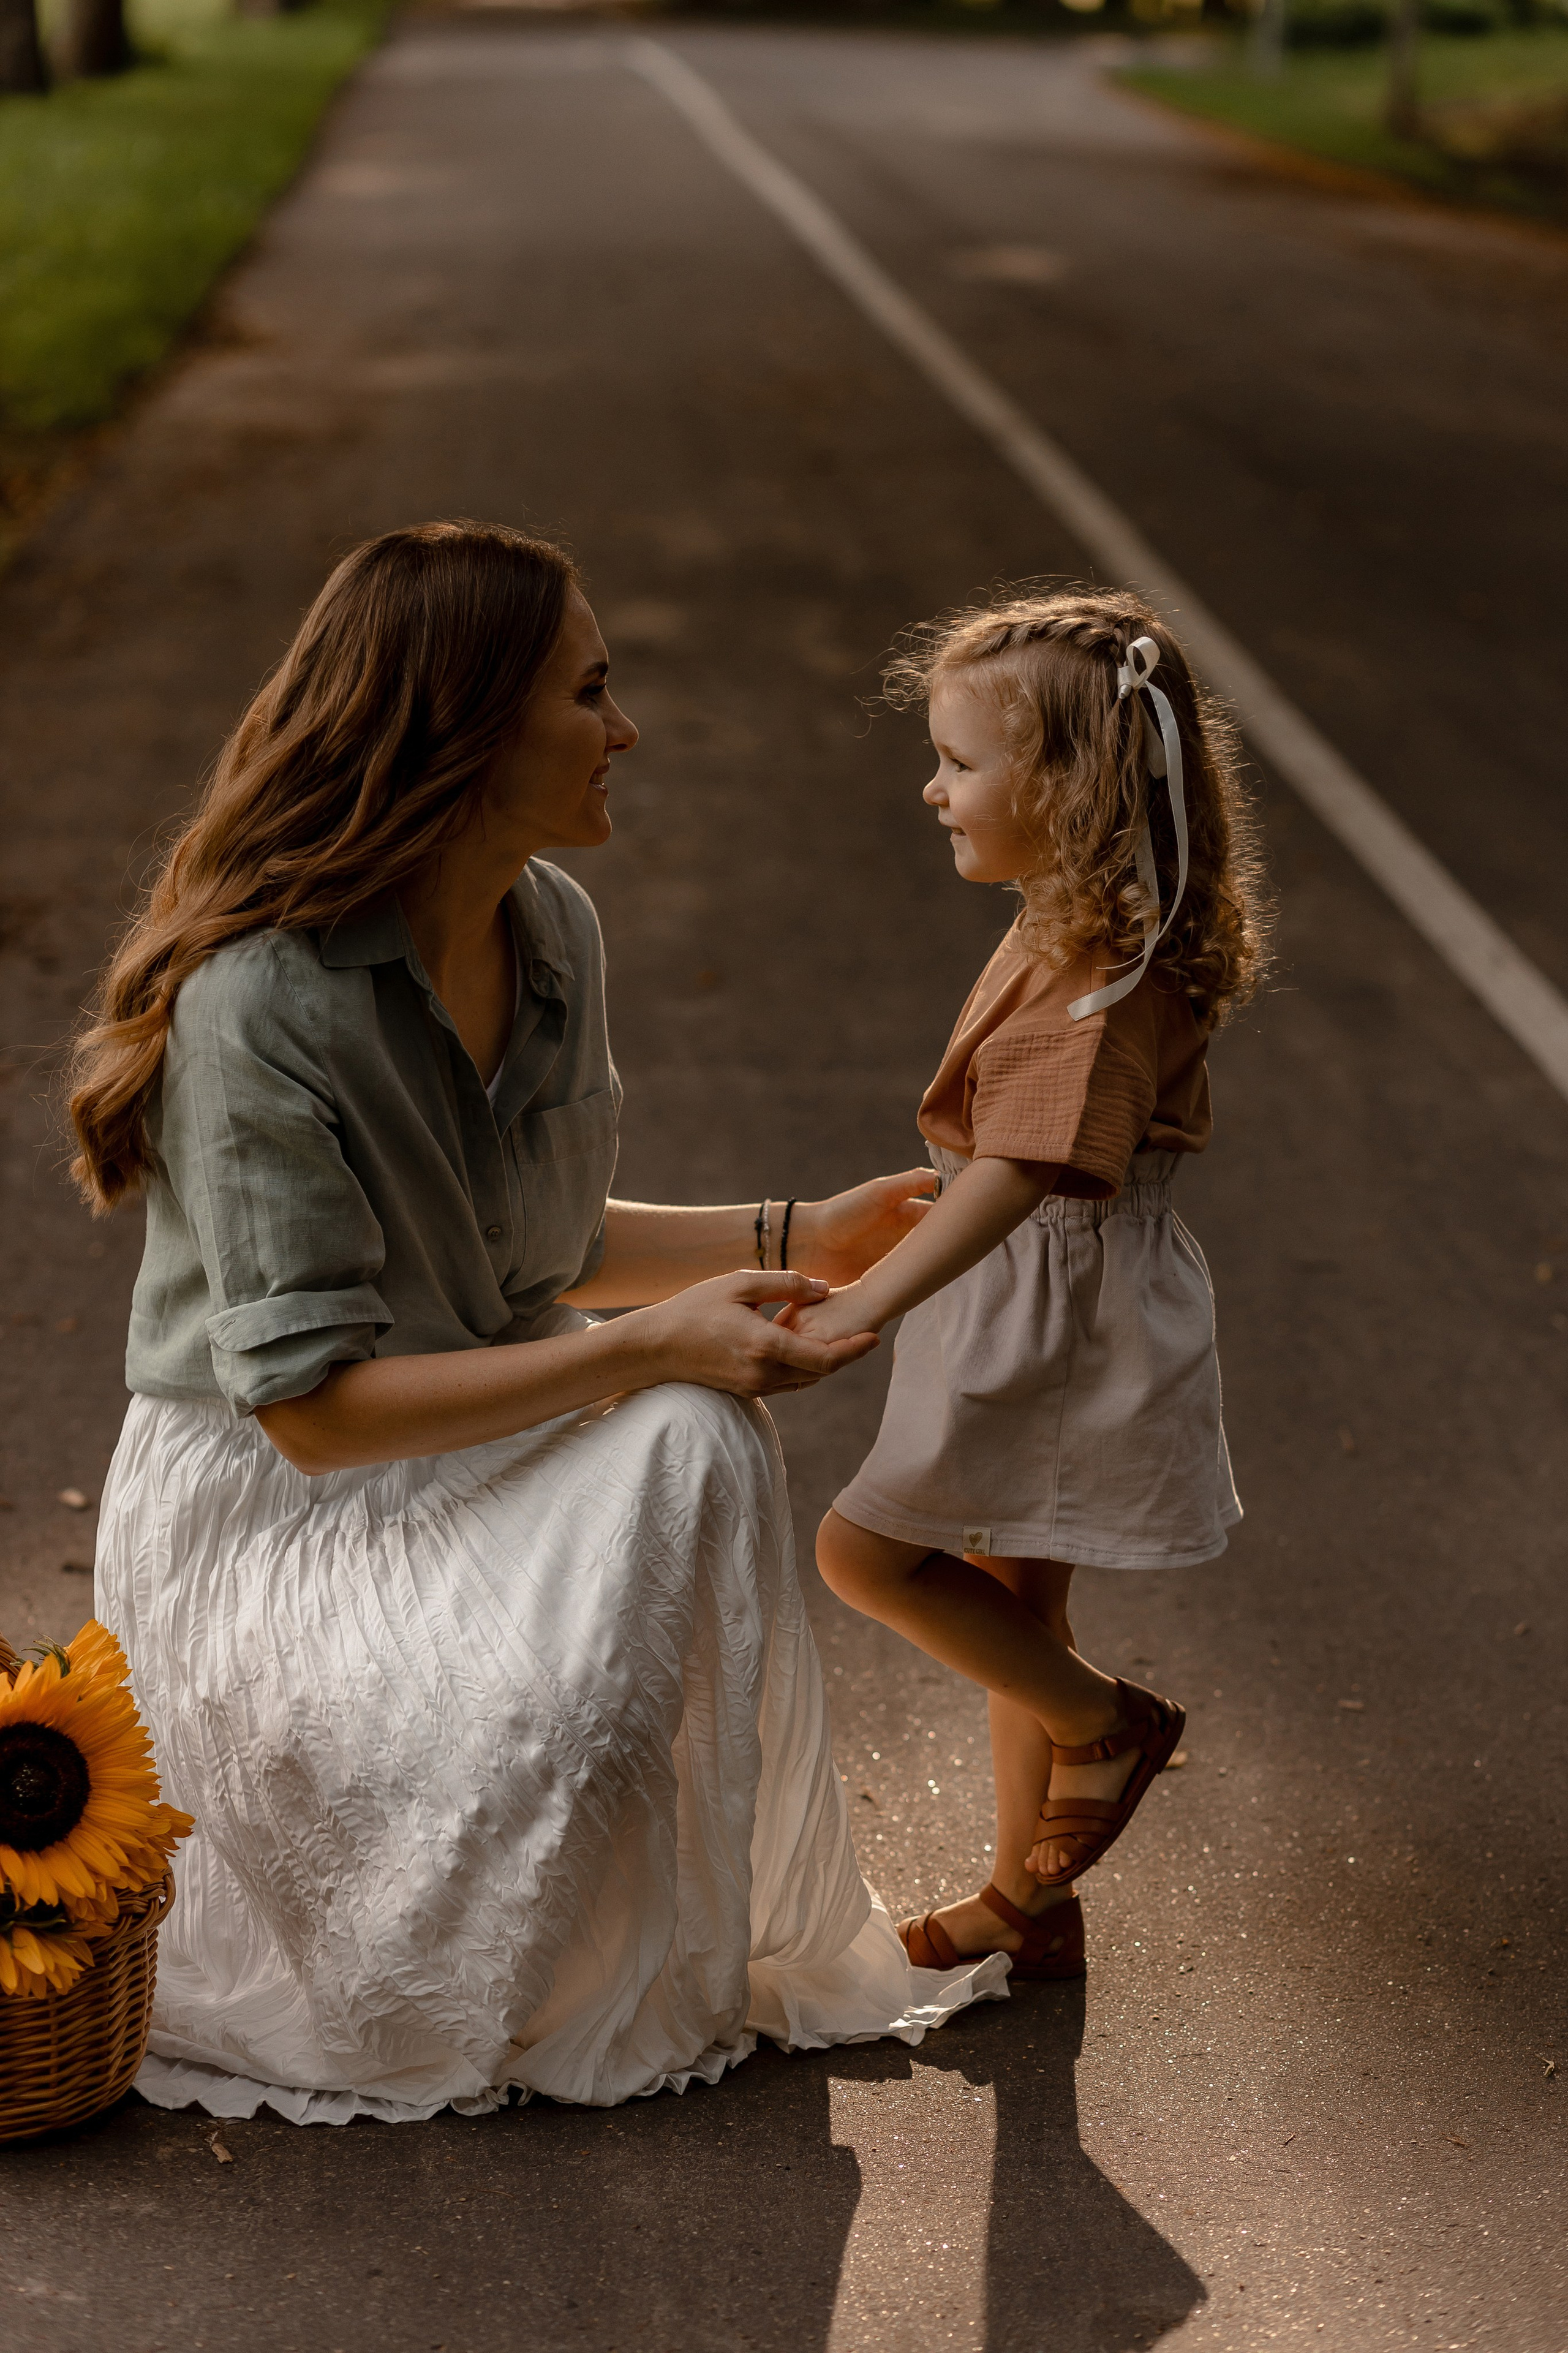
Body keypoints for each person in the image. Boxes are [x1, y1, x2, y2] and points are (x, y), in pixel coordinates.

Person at [66, 520, 1008, 2125]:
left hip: (477, 1432)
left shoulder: (551, 926)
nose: (624, 729)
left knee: (699, 1429)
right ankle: (438, 1964)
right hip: (280, 1512)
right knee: (683, 1419)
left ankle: (586, 1952)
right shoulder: (259, 1005)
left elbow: (542, 1241)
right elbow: (313, 1410)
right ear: (465, 731)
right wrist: (650, 1344)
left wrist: (802, 1231)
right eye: (590, 692)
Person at [781, 589, 1268, 1982]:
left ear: (1069, 785)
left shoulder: (1098, 973)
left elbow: (1020, 1174)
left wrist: (865, 1306)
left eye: (959, 762)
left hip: (1048, 1307)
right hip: (1040, 1287)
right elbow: (999, 1163)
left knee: (861, 1552)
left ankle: (1103, 1726)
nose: (931, 788)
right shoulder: (1084, 923)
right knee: (1013, 1601)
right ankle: (1023, 1900)